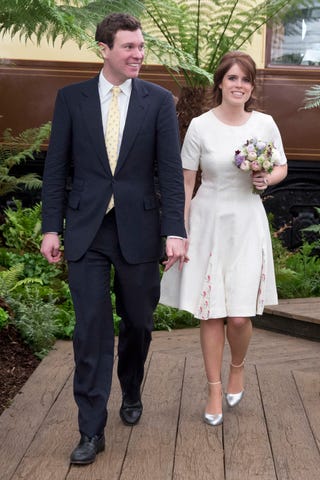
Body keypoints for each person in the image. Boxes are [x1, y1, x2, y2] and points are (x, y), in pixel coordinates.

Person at [40, 13, 186, 465]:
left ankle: (133, 384)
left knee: (138, 323)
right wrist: (50, 226)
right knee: (91, 331)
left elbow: (169, 173)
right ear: (104, 48)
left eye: (141, 47)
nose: (138, 55)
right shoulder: (71, 99)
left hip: (140, 230)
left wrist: (174, 230)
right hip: (87, 230)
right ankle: (91, 429)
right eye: (129, 47)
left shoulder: (160, 101)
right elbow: (56, 168)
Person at [160, 51, 288, 427]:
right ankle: (214, 388)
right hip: (208, 220)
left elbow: (280, 165)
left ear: (251, 87)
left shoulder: (265, 124)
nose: (239, 85)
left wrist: (268, 179)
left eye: (245, 80)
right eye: (232, 78)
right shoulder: (200, 125)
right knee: (211, 311)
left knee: (237, 316)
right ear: (220, 83)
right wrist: (179, 231)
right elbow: (185, 181)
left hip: (247, 221)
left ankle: (237, 367)